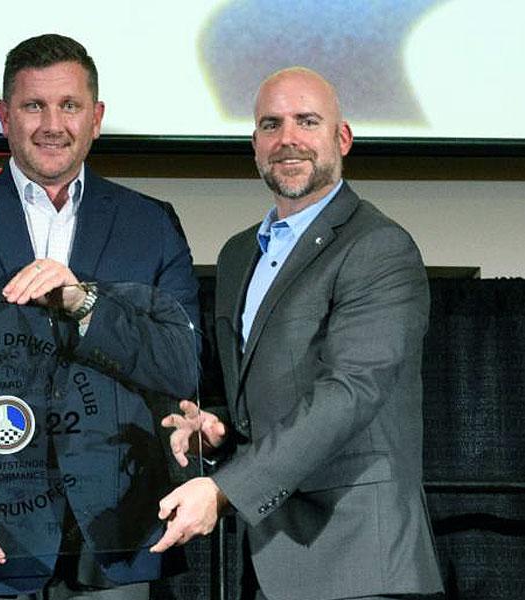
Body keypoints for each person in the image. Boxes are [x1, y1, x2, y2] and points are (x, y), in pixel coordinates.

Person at [0, 34, 201, 599]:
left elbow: (182, 366)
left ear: (97, 117)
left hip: (115, 547)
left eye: (70, 106)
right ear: (4, 116)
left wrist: (86, 305)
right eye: (34, 106)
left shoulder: (151, 224)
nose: (52, 124)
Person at [152, 67, 444, 600]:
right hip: (271, 558)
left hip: (359, 561)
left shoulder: (378, 247)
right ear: (255, 144)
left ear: (343, 138)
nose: (288, 139)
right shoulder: (239, 254)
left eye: (307, 121)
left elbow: (351, 392)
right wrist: (219, 432)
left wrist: (223, 491)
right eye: (271, 124)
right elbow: (266, 399)